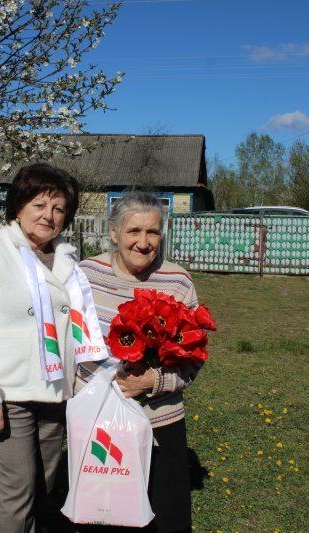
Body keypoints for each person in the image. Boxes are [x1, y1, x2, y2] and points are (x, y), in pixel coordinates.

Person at [0, 162, 105, 533]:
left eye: (58, 209)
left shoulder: (66, 254)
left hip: (56, 393)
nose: (49, 216)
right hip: (10, 392)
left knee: (45, 486)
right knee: (17, 491)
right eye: (39, 205)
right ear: (18, 207)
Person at [76, 192, 201, 533]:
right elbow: (71, 344)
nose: (144, 243)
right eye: (134, 231)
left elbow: (194, 359)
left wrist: (153, 382)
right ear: (114, 232)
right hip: (102, 424)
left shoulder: (178, 282)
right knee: (103, 517)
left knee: (167, 519)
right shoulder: (87, 275)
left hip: (160, 421)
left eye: (153, 232)